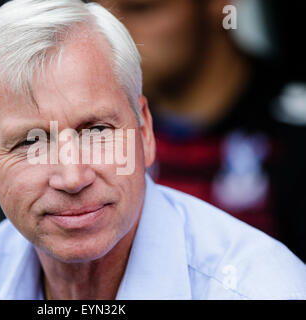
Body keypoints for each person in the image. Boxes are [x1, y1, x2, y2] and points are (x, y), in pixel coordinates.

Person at [0, 0, 306, 300]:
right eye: (31, 142)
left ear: (145, 130)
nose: (73, 177)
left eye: (97, 130)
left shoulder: (261, 288)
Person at [94, 0, 306, 261]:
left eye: (141, 9)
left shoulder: (295, 128)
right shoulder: (95, 135)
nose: (111, 35)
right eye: (100, 15)